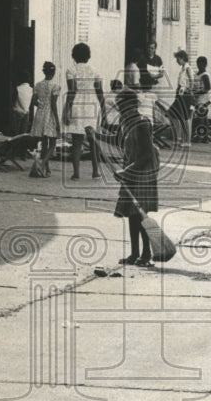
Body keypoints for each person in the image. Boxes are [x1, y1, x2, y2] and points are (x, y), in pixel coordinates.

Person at [112, 90, 159, 267]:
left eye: (123, 107)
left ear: (133, 105)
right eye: (119, 108)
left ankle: (146, 253)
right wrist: (95, 136)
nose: (121, 111)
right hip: (131, 169)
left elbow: (146, 155)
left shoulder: (142, 123)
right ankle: (134, 254)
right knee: (132, 214)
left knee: (141, 214)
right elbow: (115, 140)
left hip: (144, 171)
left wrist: (126, 171)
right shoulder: (124, 121)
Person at [63, 42, 105, 179]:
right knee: (93, 140)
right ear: (88, 55)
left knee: (77, 141)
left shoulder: (71, 70)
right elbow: (99, 91)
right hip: (92, 103)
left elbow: (71, 91)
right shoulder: (95, 69)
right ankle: (96, 171)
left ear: (74, 56)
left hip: (78, 104)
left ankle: (76, 173)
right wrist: (103, 109)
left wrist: (66, 109)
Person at [28, 61, 61, 177]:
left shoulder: (38, 85)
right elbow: (53, 104)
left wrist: (41, 106)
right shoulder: (55, 86)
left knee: (44, 142)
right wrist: (57, 121)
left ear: (44, 72)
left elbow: (33, 101)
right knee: (52, 142)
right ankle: (42, 165)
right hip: (50, 114)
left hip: (40, 114)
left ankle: (47, 169)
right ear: (54, 72)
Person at [169, 49, 195, 148]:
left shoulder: (188, 68)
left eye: (178, 59)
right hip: (180, 93)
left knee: (186, 118)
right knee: (173, 113)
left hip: (185, 95)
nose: (177, 61)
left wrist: (189, 91)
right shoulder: (182, 68)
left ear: (182, 58)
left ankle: (187, 141)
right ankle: (178, 137)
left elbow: (192, 81)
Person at [192, 56, 211, 143]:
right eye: (198, 64)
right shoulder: (197, 74)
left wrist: (197, 93)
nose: (199, 66)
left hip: (203, 98)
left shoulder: (205, 75)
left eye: (202, 64)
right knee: (201, 118)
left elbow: (207, 88)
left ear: (205, 65)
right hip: (198, 98)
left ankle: (202, 136)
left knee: (201, 118)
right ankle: (204, 136)